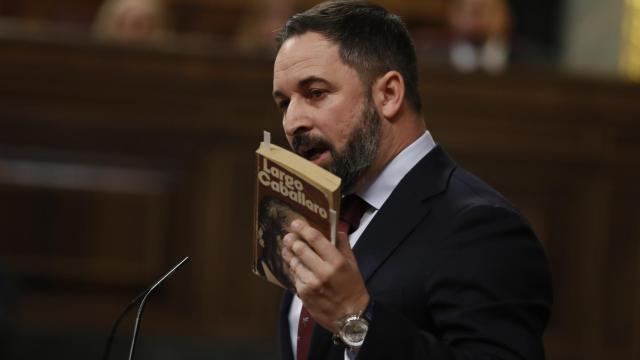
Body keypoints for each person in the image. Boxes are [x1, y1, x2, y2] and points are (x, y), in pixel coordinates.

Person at [271, 1, 552, 360]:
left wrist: (354, 318)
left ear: (388, 94)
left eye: (316, 93)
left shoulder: (483, 228)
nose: (292, 122)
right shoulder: (322, 214)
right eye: (284, 103)